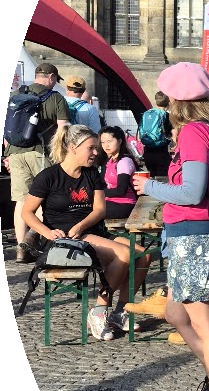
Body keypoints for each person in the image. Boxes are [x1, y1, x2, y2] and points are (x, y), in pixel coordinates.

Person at [134, 62, 209, 391]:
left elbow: (192, 192)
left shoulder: (194, 132)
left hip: (194, 235)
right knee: (177, 314)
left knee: (205, 322)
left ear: (177, 100)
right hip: (192, 234)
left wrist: (149, 187)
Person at [22, 124, 136, 340]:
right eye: (91, 148)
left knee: (142, 254)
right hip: (64, 239)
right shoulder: (48, 176)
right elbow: (27, 212)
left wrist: (81, 225)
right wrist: (47, 232)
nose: (96, 152)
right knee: (124, 254)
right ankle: (99, 311)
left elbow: (100, 210)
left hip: (89, 231)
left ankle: (120, 312)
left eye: (96, 148)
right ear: (73, 148)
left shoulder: (91, 174)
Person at [6, 62, 70, 263]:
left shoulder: (14, 96)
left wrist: (8, 154)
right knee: (43, 199)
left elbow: (7, 129)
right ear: (51, 77)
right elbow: (63, 130)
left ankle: (20, 247)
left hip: (15, 154)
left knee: (21, 201)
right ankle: (37, 241)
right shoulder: (56, 98)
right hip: (41, 153)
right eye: (55, 80)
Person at [99, 126, 139, 220]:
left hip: (125, 203)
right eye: (103, 142)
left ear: (120, 141)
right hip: (109, 201)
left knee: (88, 211)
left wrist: (97, 193)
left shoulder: (124, 161)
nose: (106, 145)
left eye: (109, 141)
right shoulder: (109, 161)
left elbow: (121, 190)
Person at [139, 90, 172, 180]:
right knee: (162, 180)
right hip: (161, 152)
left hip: (147, 152)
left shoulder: (147, 113)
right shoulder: (167, 116)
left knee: (152, 178)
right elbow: (172, 133)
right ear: (168, 102)